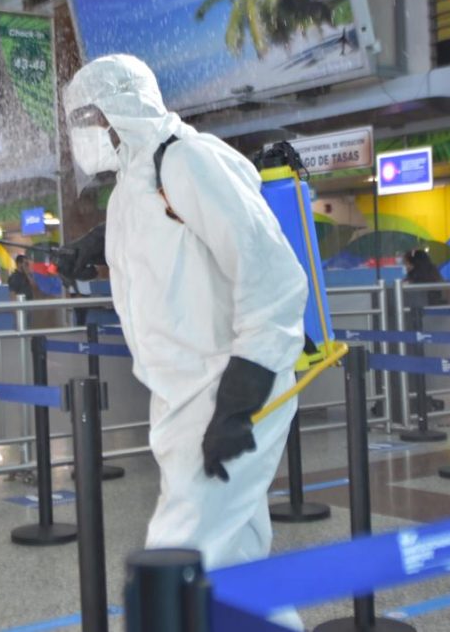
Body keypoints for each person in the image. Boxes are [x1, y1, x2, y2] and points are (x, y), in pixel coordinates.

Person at [59, 54, 307, 629]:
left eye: (88, 116)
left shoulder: (188, 160)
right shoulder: (132, 185)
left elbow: (273, 278)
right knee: (233, 562)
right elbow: (158, 249)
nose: (82, 132)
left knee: (178, 554)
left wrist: (240, 398)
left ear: (124, 107)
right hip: (179, 397)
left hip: (228, 386)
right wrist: (95, 247)